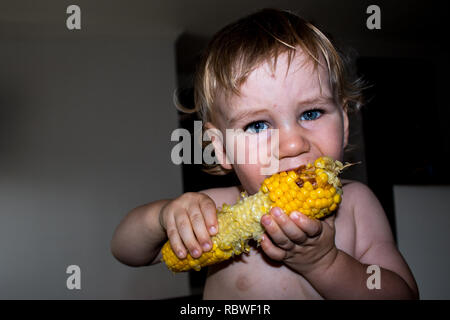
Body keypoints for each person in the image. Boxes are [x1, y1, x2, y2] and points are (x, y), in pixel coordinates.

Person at [111, 8, 418, 299]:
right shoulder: (217, 209)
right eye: (258, 125)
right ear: (221, 148)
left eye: (311, 113)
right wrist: (163, 216)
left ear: (345, 124)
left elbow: (402, 293)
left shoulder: (357, 206)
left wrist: (325, 264)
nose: (293, 144)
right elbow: (125, 250)